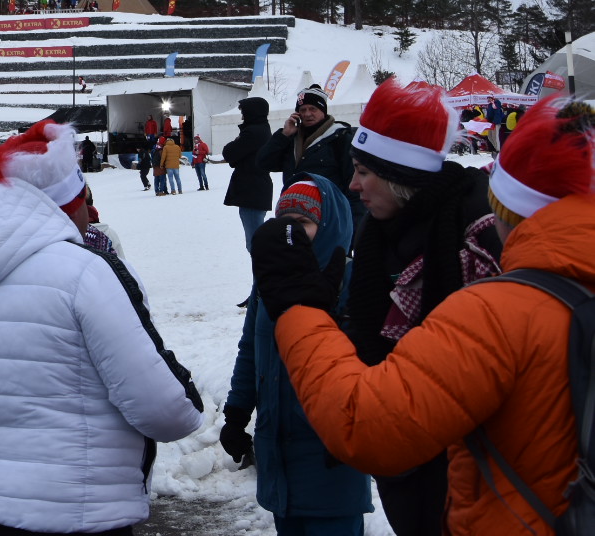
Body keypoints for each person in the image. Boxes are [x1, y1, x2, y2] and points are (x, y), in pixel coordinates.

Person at [253, 97, 595, 535]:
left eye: (363, 172)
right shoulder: (388, 243)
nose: (353, 187)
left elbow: (368, 425)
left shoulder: (497, 300)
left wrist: (297, 303)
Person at [0, 120, 203, 534]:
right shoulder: (86, 274)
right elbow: (165, 410)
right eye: (82, 198)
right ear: (66, 202)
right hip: (78, 512)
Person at [336, 78, 503, 535]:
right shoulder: (375, 232)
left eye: (364, 172)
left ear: (400, 177)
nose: (353, 185)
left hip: (471, 461)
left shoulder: (474, 233)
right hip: (400, 449)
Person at [222, 179, 371, 535]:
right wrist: (237, 412)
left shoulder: (352, 282)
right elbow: (250, 350)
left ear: (328, 224)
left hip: (330, 460)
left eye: (302, 221)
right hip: (278, 459)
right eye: (282, 219)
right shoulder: (268, 285)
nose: (290, 230)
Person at [259, 84, 360, 225]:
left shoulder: (340, 137)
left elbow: (354, 185)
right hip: (294, 212)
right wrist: (283, 135)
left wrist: (352, 226)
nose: (307, 114)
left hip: (330, 216)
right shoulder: (291, 138)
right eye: (302, 110)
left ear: (323, 111)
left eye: (313, 109)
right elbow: (264, 163)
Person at [223, 97, 274, 252]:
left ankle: (263, 276)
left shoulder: (253, 132)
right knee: (256, 243)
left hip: (252, 192)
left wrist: (236, 146)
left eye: (243, 112)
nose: (242, 116)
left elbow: (229, 153)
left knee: (255, 245)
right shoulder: (261, 129)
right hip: (256, 191)